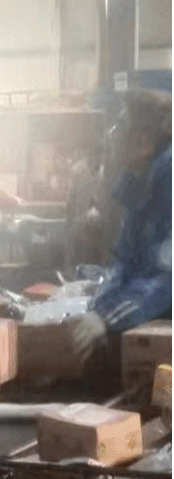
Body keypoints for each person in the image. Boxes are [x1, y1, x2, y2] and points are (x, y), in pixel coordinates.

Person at [68, 89, 172, 364]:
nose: (110, 134)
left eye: (120, 125)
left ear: (143, 141)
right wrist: (98, 308)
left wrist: (107, 318)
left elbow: (167, 279)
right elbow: (125, 264)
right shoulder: (139, 185)